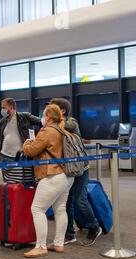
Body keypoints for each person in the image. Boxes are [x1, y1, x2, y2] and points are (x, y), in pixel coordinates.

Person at [22, 104, 75, 258]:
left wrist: (26, 144)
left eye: (44, 115)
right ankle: (58, 243)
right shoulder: (62, 130)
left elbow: (32, 150)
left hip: (52, 175)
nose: (42, 118)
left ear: (49, 117)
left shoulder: (47, 131)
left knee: (37, 209)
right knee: (60, 208)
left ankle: (40, 246)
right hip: (67, 175)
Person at [50, 98, 103, 246]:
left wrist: (50, 121)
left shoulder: (71, 122)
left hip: (80, 168)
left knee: (80, 200)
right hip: (66, 169)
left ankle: (94, 227)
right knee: (66, 202)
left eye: (53, 108)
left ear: (63, 111)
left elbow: (64, 126)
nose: (48, 112)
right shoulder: (54, 125)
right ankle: (69, 234)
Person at [0, 98, 41, 182]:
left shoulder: (25, 116)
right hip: (4, 156)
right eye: (2, 108)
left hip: (21, 156)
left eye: (4, 107)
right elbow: (0, 137)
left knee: (22, 182)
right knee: (7, 182)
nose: (2, 110)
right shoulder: (2, 121)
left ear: (11, 107)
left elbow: (41, 123)